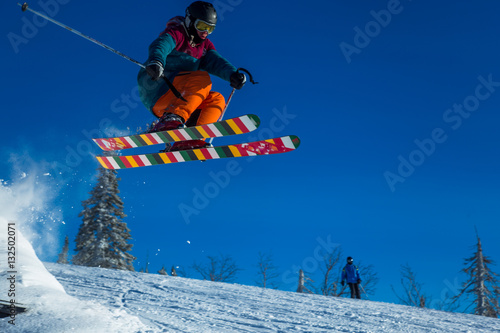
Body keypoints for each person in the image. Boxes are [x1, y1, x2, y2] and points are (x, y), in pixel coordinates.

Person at [137, 1, 246, 150]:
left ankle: (189, 139)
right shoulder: (177, 33)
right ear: (190, 21)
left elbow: (216, 62)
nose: (205, 32)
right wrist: (156, 62)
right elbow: (161, 45)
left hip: (179, 97)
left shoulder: (204, 46)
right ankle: (171, 119)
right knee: (202, 79)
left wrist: (232, 74)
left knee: (216, 99)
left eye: (210, 28)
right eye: (202, 26)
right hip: (156, 85)